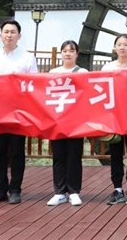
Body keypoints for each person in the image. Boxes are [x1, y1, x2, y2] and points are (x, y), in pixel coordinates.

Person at [0, 20, 38, 204]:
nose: (9, 35)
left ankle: (15, 190)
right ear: (0, 35)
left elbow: (34, 83)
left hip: (18, 111)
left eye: (13, 32)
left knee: (17, 151)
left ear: (19, 36)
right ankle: (0, 190)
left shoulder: (27, 57)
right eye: (6, 32)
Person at [47, 40, 88, 207]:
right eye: (64, 51)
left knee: (74, 157)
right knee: (58, 157)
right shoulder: (53, 72)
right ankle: (59, 192)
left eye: (71, 50)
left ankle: (74, 191)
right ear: (61, 54)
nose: (68, 53)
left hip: (75, 122)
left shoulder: (83, 72)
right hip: (57, 120)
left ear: (77, 54)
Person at [102, 35, 127, 205]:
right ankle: (117, 188)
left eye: (126, 44)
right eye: (119, 44)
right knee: (116, 154)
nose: (122, 47)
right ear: (114, 48)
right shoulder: (107, 67)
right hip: (115, 118)